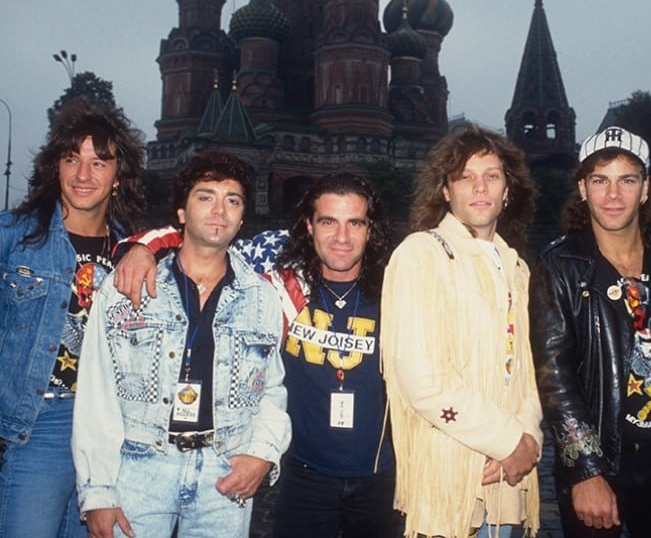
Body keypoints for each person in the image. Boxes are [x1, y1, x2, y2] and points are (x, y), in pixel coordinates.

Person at [110, 172, 399, 538]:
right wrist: (140, 247)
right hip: (304, 477)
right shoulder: (277, 278)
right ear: (309, 226)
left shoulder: (396, 288)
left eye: (355, 223)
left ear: (370, 230)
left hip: (379, 477)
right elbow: (205, 241)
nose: (341, 237)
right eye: (328, 221)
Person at [71, 150, 290, 538]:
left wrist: (262, 453)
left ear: (242, 217)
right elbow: (95, 392)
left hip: (224, 472)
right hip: (138, 467)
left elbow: (271, 389)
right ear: (182, 213)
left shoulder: (262, 298)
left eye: (232, 200)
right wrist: (98, 491)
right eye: (206, 197)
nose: (219, 210)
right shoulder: (127, 288)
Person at [529, 126, 651, 537]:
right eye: (600, 180)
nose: (613, 195)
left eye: (626, 180)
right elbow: (555, 380)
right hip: (599, 466)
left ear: (645, 188)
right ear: (582, 189)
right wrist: (585, 471)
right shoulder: (559, 267)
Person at [380, 124, 542, 538]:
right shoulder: (421, 254)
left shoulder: (517, 268)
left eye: (491, 175)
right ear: (446, 191)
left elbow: (527, 370)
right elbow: (422, 379)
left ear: (508, 190)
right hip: (450, 473)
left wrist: (529, 438)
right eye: (464, 177)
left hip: (509, 478)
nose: (479, 187)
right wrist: (508, 440)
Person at [0, 97, 145, 537]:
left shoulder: (132, 254)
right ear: (55, 168)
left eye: (100, 162)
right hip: (38, 425)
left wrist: (146, 248)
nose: (84, 175)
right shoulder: (15, 236)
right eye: (71, 159)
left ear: (118, 176)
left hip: (107, 435)